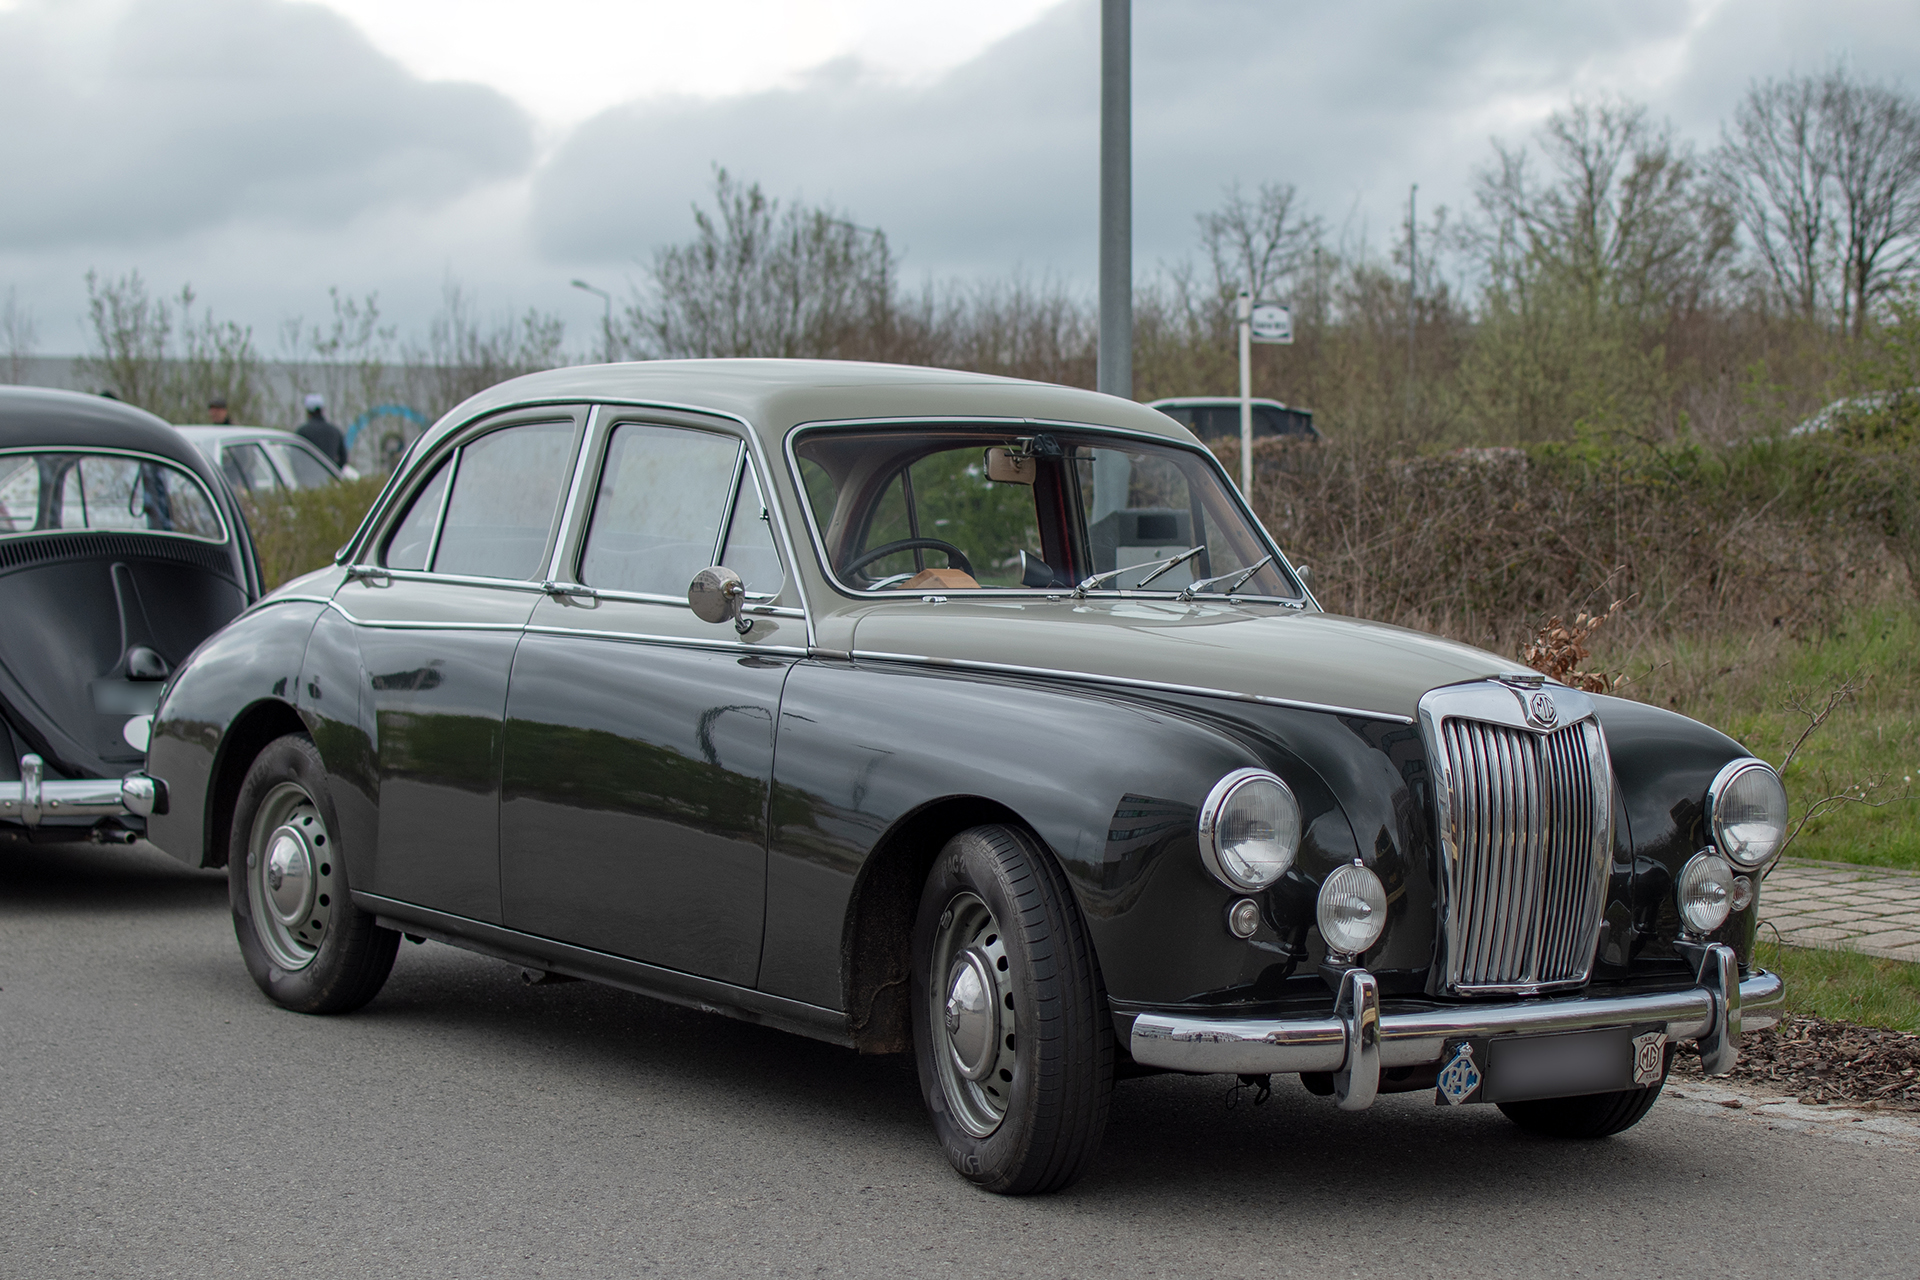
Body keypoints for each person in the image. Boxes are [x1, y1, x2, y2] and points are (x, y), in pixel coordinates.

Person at [296, 393, 347, 468]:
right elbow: (343, 458)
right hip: (329, 477)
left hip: (307, 476)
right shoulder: (335, 431)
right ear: (322, 410)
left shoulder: (303, 431)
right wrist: (334, 471)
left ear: (308, 412)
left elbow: (296, 457)